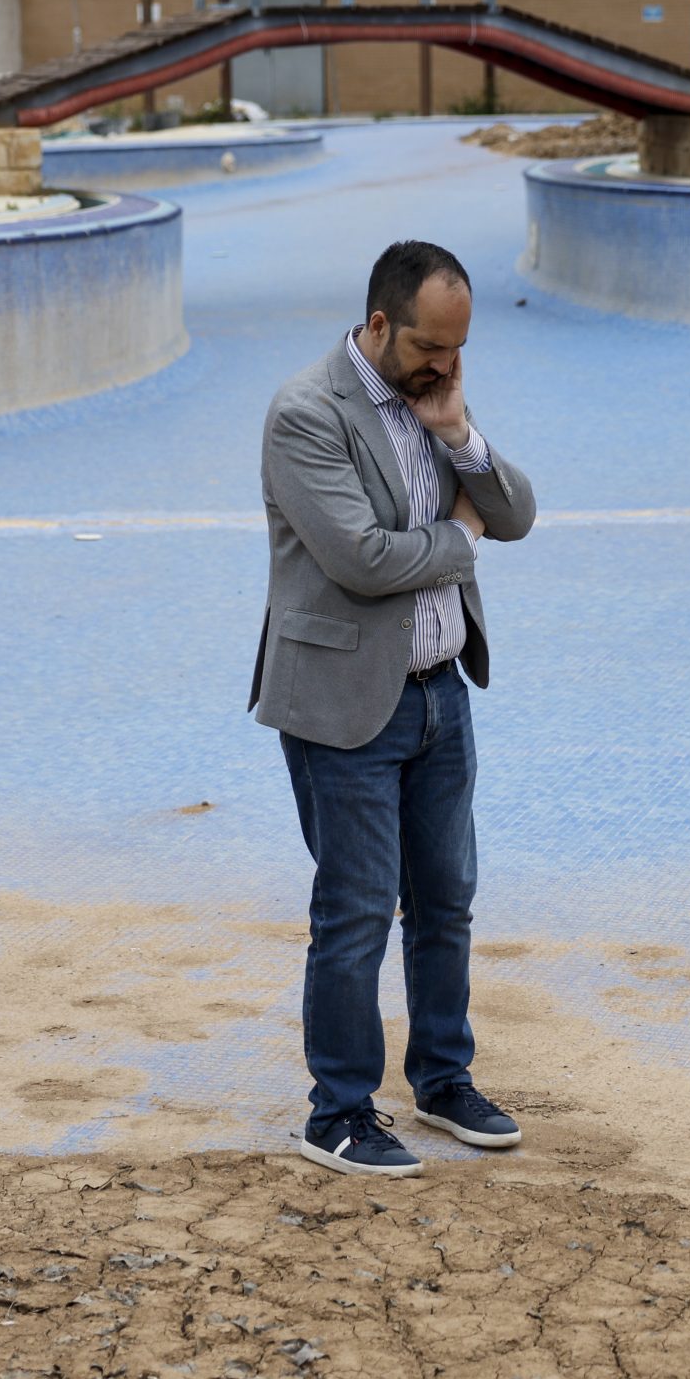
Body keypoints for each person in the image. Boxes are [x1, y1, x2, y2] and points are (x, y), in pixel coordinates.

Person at [251, 240, 539, 1177]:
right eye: (428, 347)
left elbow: (518, 513)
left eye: (458, 350)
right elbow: (364, 559)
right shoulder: (306, 413)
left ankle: (443, 1078)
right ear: (380, 324)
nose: (445, 366)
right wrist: (461, 534)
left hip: (439, 694)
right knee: (357, 910)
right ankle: (336, 1111)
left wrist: (460, 439)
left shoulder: (434, 397)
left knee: (446, 901)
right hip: (344, 708)